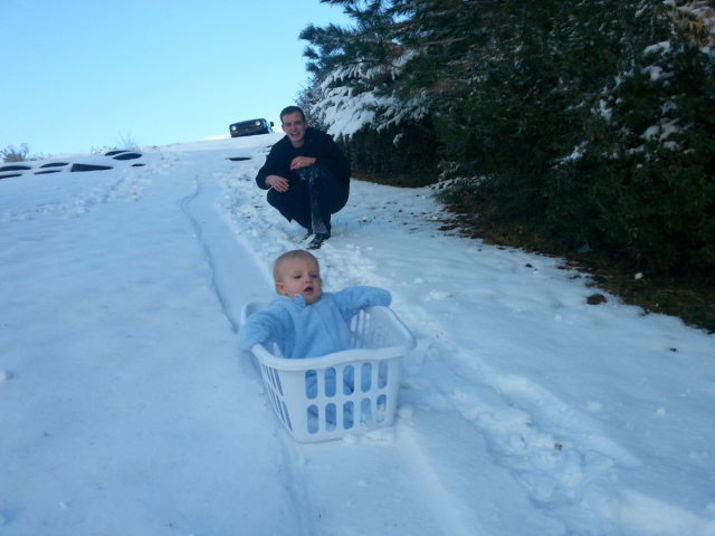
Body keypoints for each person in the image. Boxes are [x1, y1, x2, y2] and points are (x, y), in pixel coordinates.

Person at [238, 250, 391, 359]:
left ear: (321, 282)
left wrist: (376, 296)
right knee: (325, 394)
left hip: (347, 361)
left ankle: (376, 404)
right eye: (298, 276)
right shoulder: (284, 310)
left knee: (368, 379)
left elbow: (354, 296)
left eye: (314, 275)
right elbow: (266, 320)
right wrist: (253, 332)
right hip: (309, 371)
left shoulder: (333, 301)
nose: (307, 280)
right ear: (282, 288)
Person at [255, 106, 351, 249]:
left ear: (305, 124)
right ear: (283, 128)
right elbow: (260, 178)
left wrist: (314, 161)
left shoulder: (321, 140)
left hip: (333, 194)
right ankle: (312, 224)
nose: (294, 128)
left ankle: (321, 230)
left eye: (297, 123)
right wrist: (269, 178)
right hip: (306, 198)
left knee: (311, 169)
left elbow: (344, 167)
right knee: (274, 195)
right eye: (289, 124)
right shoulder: (279, 149)